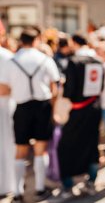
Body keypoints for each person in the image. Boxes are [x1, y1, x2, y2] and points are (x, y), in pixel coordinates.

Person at [0, 28, 60, 202]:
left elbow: (4, 88)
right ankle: (40, 188)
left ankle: (18, 192)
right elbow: (55, 87)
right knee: (40, 150)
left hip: (22, 108)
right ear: (36, 40)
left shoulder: (12, 60)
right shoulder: (45, 59)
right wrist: (54, 109)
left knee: (20, 149)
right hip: (42, 107)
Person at [55, 34, 104, 200]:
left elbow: (69, 91)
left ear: (75, 43)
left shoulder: (74, 61)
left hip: (77, 110)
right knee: (91, 144)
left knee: (65, 147)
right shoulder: (98, 61)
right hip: (94, 109)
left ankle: (68, 184)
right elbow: (100, 87)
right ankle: (91, 180)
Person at [0, 44, 16, 197]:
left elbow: (8, 87)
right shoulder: (7, 56)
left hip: (4, 107)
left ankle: (7, 185)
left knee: (6, 146)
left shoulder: (6, 56)